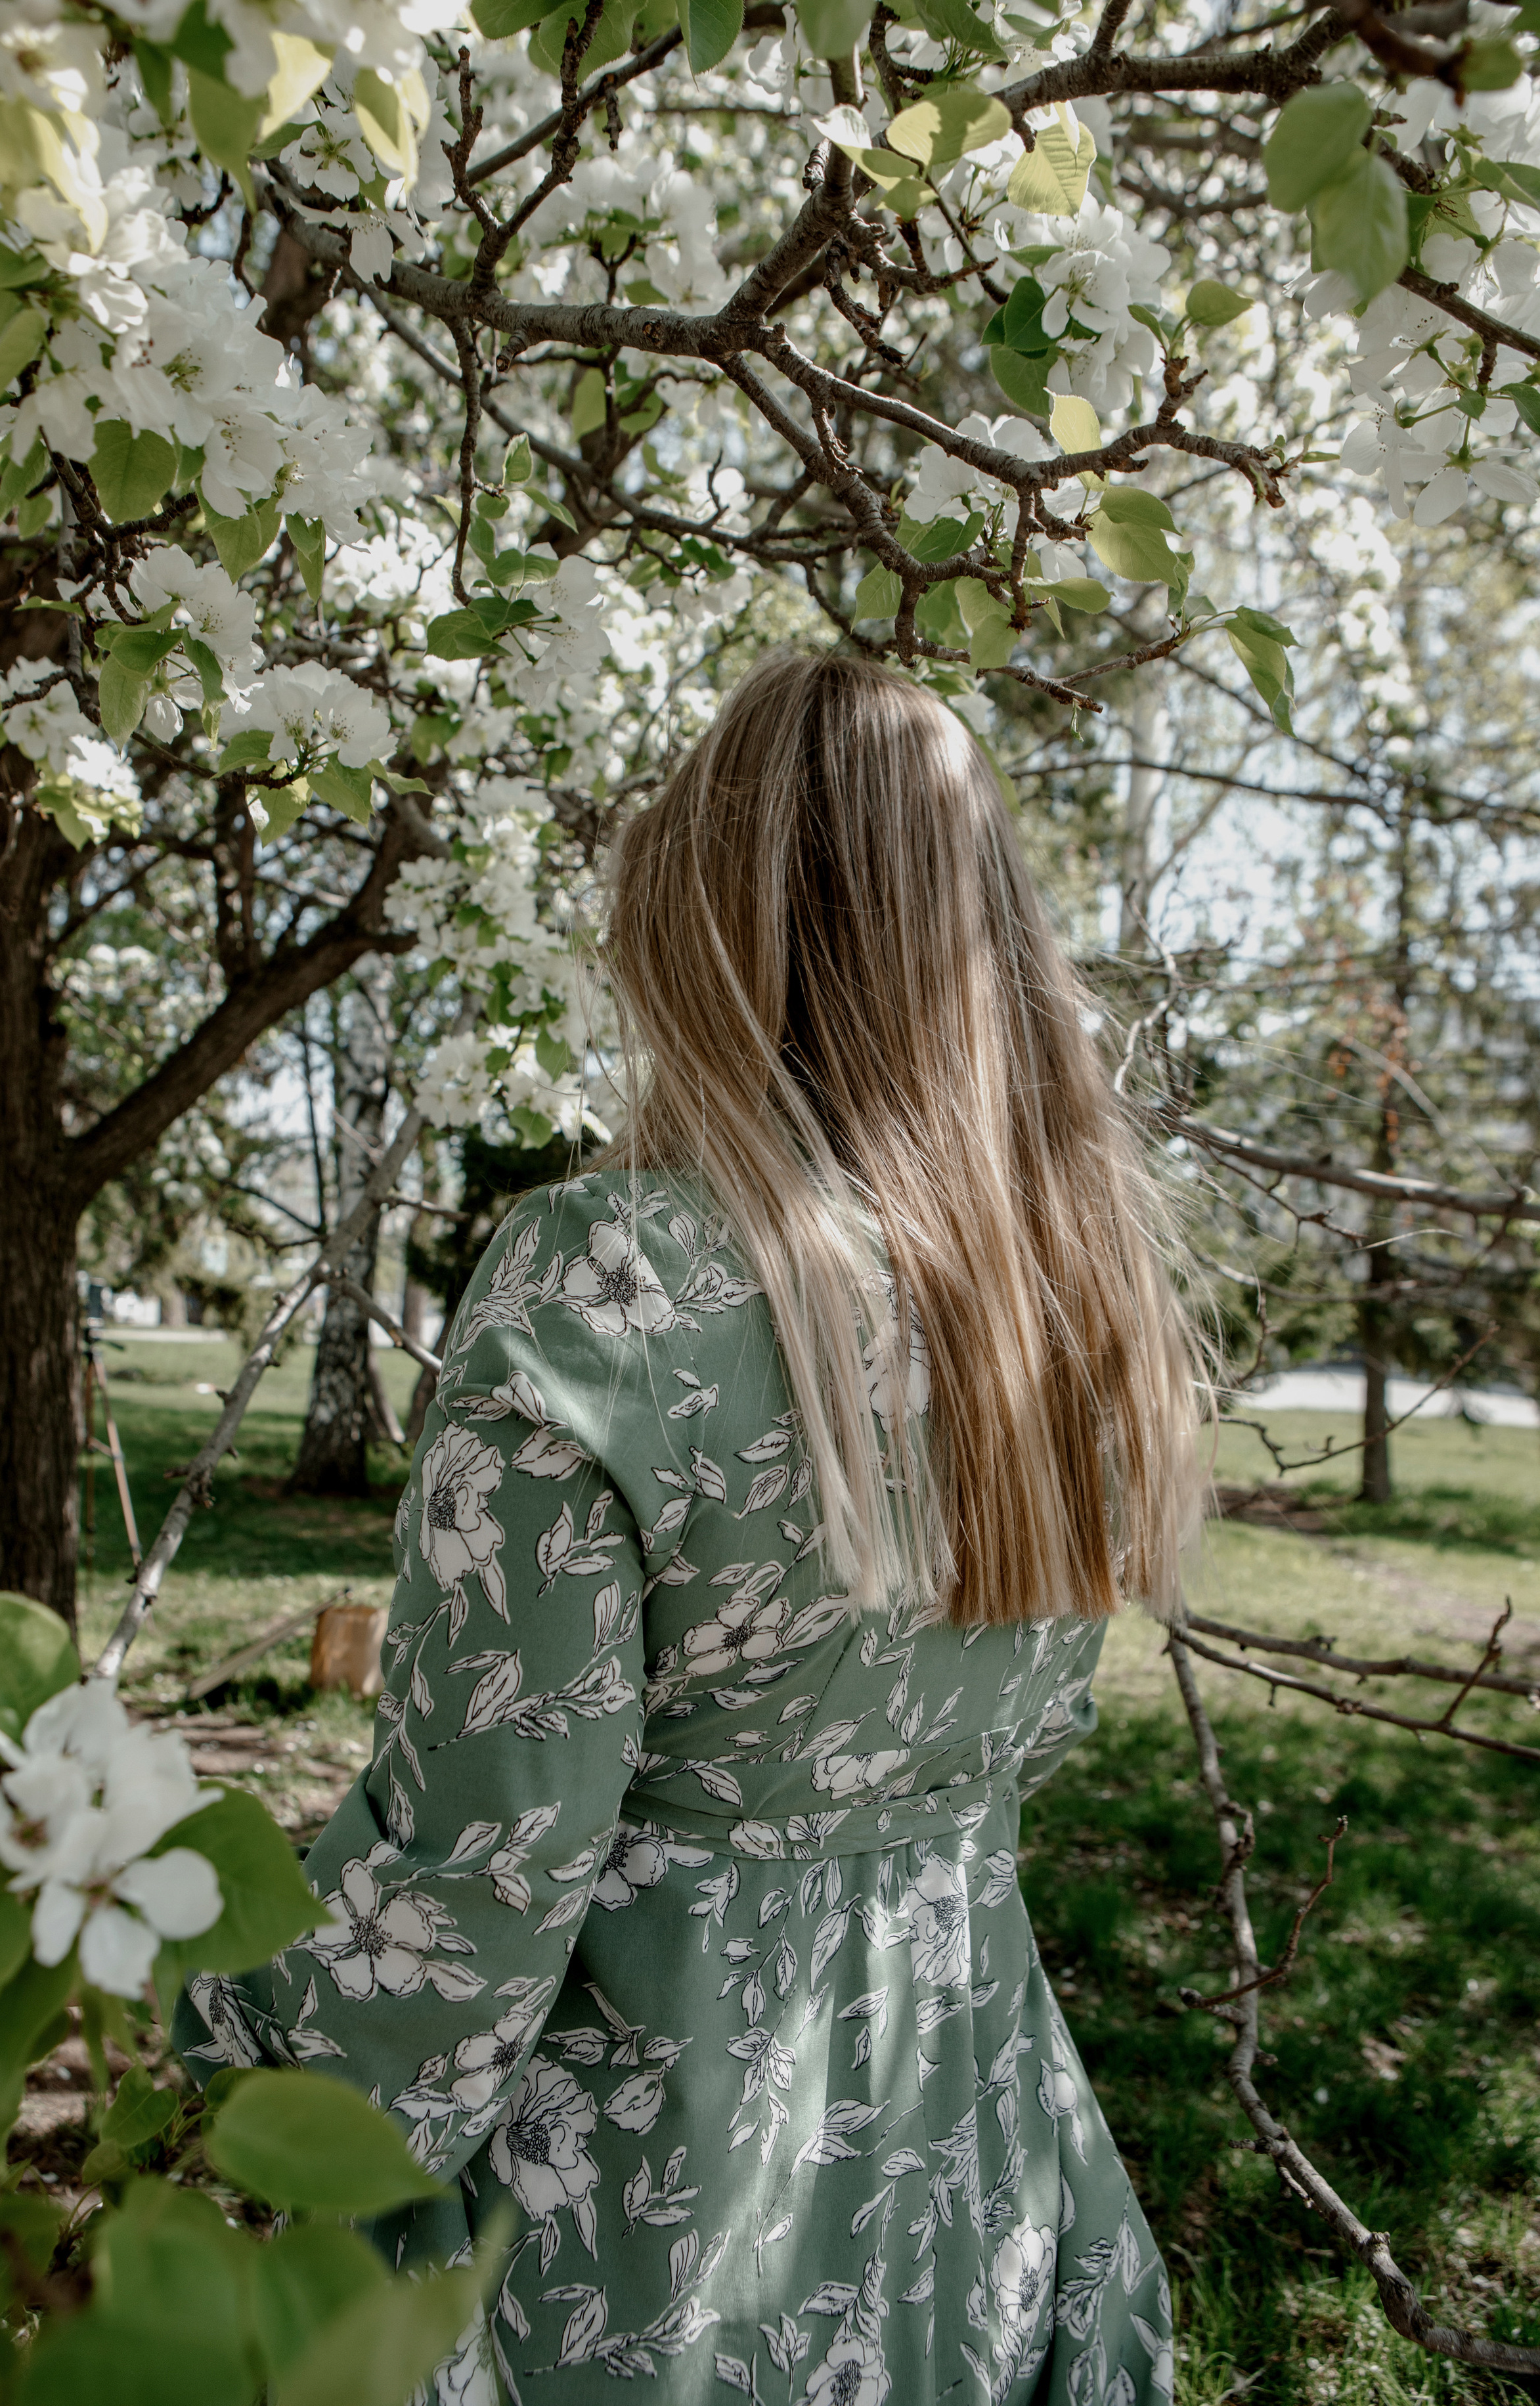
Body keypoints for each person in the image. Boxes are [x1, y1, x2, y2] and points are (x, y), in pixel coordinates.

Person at [179, 649, 1204, 2403]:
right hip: (961, 2176)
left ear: (698, 925)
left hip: (647, 2230)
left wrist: (227, 2043)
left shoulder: (612, 1291)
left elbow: (486, 1877)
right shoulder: (1066, 1302)